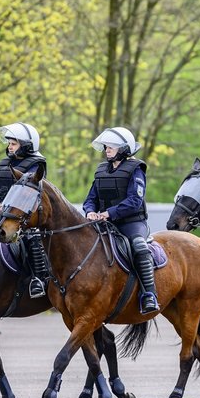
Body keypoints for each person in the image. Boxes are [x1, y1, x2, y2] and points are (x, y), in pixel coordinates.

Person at [82, 126, 159, 314]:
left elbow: (135, 201)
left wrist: (108, 213)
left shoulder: (136, 169)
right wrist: (90, 211)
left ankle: (149, 294)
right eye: (106, 146)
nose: (107, 149)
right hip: (104, 223)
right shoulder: (101, 170)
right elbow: (90, 198)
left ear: (124, 149)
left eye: (111, 146)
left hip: (131, 223)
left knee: (139, 247)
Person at [0, 122, 48, 300]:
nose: (9, 146)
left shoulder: (37, 165)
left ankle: (38, 280)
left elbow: (27, 193)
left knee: (32, 239)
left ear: (26, 146)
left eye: (13, 143)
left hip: (23, 218)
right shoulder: (3, 163)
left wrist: (3, 207)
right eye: (9, 143)